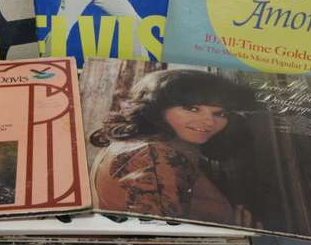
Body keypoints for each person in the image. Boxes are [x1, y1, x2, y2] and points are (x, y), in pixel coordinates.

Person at [90, 68, 260, 228]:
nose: (209, 122)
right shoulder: (153, 155)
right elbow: (156, 240)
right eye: (192, 109)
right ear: (156, 108)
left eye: (219, 114)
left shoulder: (142, 146)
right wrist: (233, 235)